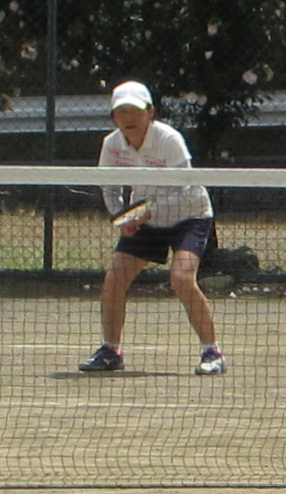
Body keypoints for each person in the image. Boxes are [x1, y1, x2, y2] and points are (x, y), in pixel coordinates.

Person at [82, 80, 226, 376]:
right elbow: (108, 188)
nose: (129, 118)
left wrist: (147, 213)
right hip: (146, 219)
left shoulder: (168, 139)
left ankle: (212, 351)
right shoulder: (111, 145)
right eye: (122, 112)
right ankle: (111, 350)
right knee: (114, 278)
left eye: (135, 110)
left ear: (150, 112)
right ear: (113, 117)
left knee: (182, 279)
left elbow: (186, 185)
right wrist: (122, 218)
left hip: (190, 215)